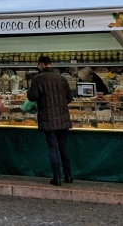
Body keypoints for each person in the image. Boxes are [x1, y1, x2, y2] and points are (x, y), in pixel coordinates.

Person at [28, 55, 75, 185]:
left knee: (53, 148)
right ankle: (68, 176)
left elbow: (32, 97)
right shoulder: (62, 78)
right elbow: (70, 98)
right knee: (64, 147)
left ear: (41, 64)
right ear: (51, 64)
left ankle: (57, 178)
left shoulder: (38, 79)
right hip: (63, 118)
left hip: (48, 119)